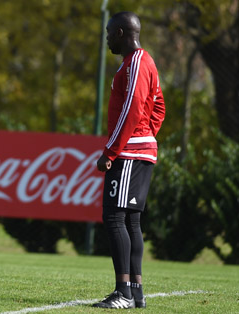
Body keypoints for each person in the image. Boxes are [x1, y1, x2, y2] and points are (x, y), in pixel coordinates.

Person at [93, 12, 165, 309]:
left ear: (121, 32)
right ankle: (135, 292)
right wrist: (148, 135)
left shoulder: (135, 63)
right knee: (131, 221)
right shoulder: (143, 62)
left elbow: (133, 110)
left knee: (113, 218)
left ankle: (122, 292)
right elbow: (158, 106)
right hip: (140, 149)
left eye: (110, 32)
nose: (107, 37)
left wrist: (111, 150)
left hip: (129, 153)